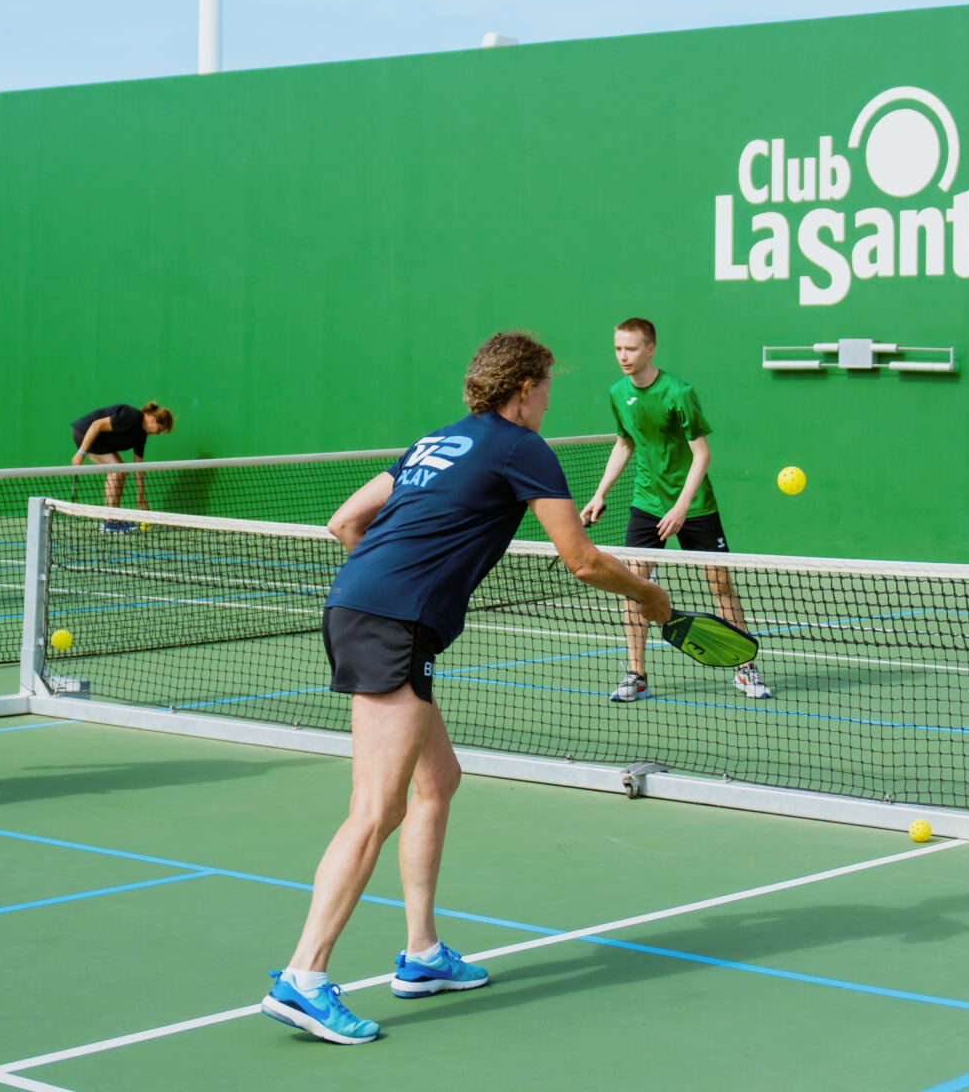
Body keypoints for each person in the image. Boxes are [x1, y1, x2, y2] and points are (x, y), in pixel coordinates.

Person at [261, 331, 671, 1045]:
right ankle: (305, 976)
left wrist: (389, 581)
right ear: (522, 390)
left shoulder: (435, 442)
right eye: (545, 386)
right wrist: (652, 599)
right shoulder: (523, 449)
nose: (548, 399)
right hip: (391, 626)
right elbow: (579, 559)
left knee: (438, 779)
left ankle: (422, 955)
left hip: (365, 608)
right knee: (374, 809)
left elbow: (345, 521)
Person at [579, 317, 770, 702]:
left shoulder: (679, 392)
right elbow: (624, 443)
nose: (623, 356)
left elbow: (702, 453)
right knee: (634, 586)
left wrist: (682, 506)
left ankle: (745, 668)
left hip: (694, 505)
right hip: (646, 503)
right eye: (618, 348)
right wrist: (600, 494)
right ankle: (636, 674)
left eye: (631, 349)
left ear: (650, 349)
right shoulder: (618, 392)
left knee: (721, 583)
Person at [70, 401, 174, 534]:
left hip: (98, 440)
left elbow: (138, 464)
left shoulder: (141, 434)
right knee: (117, 470)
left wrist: (140, 493)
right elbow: (97, 425)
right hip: (85, 434)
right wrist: (81, 453)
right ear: (152, 420)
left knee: (121, 471)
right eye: (159, 429)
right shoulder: (133, 417)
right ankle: (109, 521)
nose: (158, 433)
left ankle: (114, 519)